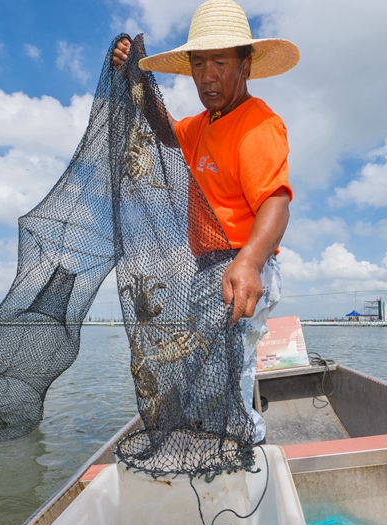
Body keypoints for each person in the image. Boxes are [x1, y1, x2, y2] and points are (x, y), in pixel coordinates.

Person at [112, 0, 298, 443]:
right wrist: (134, 79)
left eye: (220, 62)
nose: (208, 75)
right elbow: (164, 131)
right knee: (205, 371)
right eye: (198, 63)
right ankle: (221, 450)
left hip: (240, 267)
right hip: (207, 269)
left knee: (222, 379)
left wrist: (249, 262)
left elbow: (276, 201)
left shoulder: (257, 125)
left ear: (245, 65)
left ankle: (245, 458)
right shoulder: (202, 125)